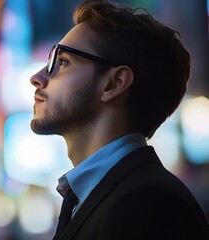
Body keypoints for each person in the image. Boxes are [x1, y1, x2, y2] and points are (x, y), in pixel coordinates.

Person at [29, 0, 209, 239]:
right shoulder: (109, 194)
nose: (37, 77)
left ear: (114, 83)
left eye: (63, 62)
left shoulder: (148, 204)